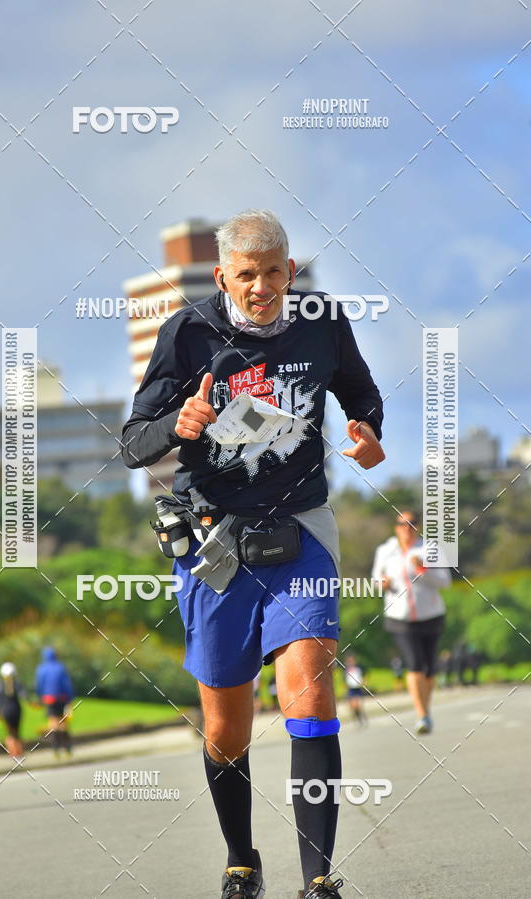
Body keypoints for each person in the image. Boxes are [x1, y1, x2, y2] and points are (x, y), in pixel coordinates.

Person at [121, 209, 385, 898]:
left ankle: (318, 878)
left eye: (274, 272)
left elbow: (360, 392)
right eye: (247, 274)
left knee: (312, 691)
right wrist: (175, 427)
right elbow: (132, 442)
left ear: (290, 271)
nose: (262, 286)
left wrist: (367, 429)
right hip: (215, 540)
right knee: (224, 730)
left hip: (300, 530)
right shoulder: (187, 334)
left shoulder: (322, 320)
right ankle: (243, 859)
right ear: (222, 277)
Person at [372, 510, 451, 735]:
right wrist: (382, 583)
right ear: (396, 528)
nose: (406, 528)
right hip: (400, 617)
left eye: (411, 524)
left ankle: (425, 709)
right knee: (415, 665)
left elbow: (444, 581)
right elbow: (375, 581)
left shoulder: (430, 548)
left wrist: (422, 569)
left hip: (431, 615)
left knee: (429, 668)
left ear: (418, 526)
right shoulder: (385, 551)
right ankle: (422, 715)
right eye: (401, 524)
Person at [34, 647, 74, 756]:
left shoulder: (41, 669)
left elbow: (39, 685)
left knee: (53, 723)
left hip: (49, 699)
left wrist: (40, 697)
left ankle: (56, 749)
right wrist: (70, 698)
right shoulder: (61, 667)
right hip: (62, 698)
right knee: (63, 723)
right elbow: (67, 684)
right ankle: (67, 748)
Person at [0, 661, 25, 759]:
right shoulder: (17, 684)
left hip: (5, 712)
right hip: (16, 711)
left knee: (9, 733)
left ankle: (12, 753)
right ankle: (19, 752)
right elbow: (24, 695)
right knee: (17, 733)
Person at [343, 655, 367, 726]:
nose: (351, 662)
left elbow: (363, 676)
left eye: (352, 660)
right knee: (353, 706)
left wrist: (363, 682)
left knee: (357, 705)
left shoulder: (358, 668)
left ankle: (360, 718)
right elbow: (345, 679)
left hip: (357, 688)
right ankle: (358, 717)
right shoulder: (346, 669)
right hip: (351, 689)